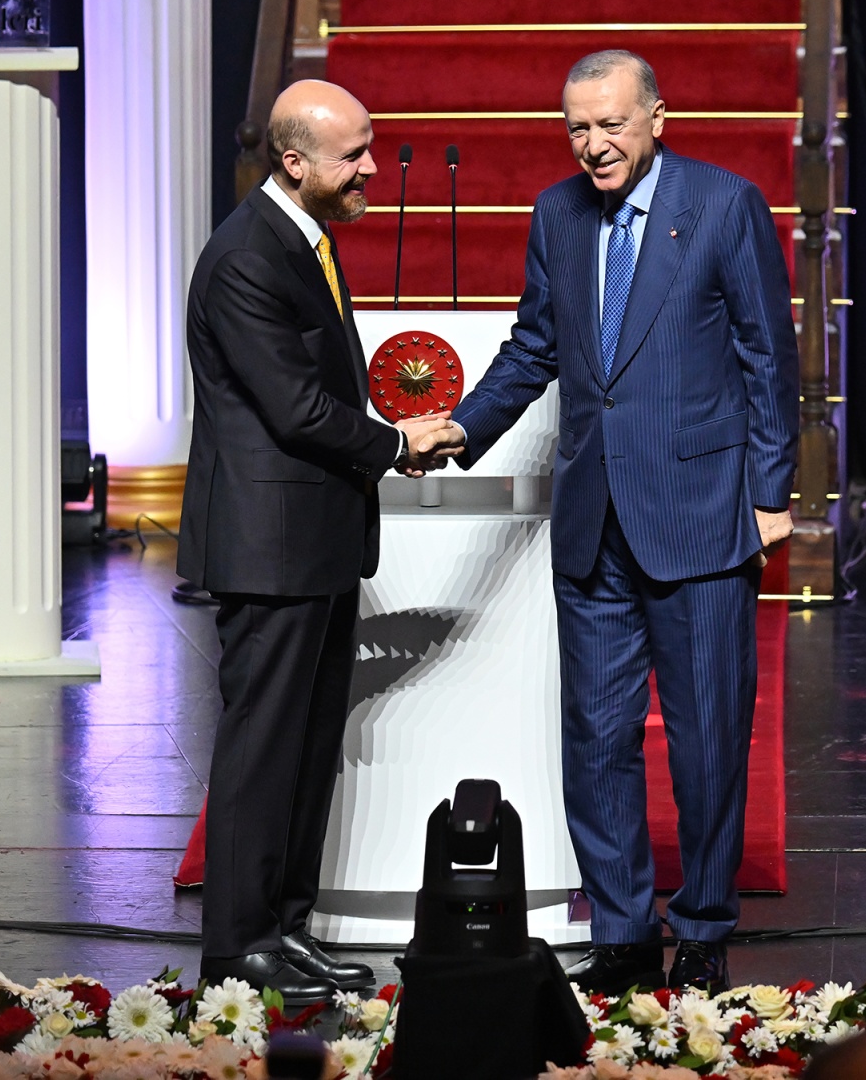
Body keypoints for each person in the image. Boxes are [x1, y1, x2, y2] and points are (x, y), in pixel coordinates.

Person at [446, 50, 798, 996]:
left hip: (702, 517)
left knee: (708, 738)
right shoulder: (557, 214)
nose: (594, 144)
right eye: (578, 128)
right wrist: (463, 427)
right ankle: (623, 933)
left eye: (611, 124)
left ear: (656, 118)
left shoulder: (724, 204)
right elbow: (533, 346)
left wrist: (771, 495)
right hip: (593, 521)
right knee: (596, 740)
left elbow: (768, 355)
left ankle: (706, 926)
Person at [176, 79, 462, 1004]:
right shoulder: (245, 258)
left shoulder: (303, 237)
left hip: (315, 542)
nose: (372, 168)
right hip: (269, 548)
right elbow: (296, 409)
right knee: (263, 750)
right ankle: (238, 946)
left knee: (305, 749)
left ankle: (284, 930)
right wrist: (397, 444)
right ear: (294, 162)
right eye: (354, 156)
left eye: (370, 147)